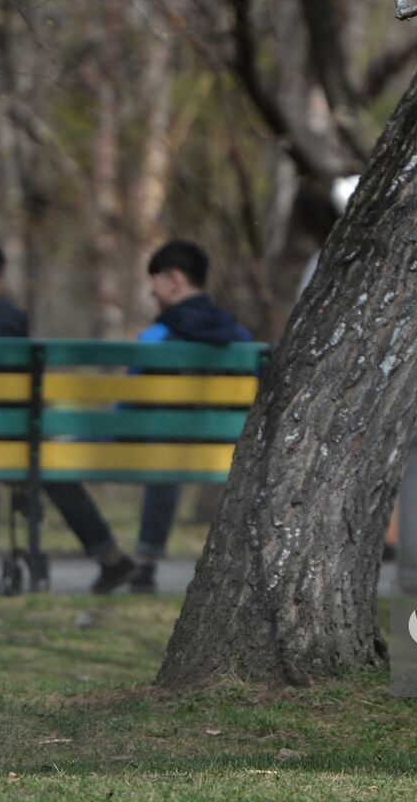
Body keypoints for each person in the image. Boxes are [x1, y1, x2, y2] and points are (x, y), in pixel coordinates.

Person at [0, 238, 135, 594]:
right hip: (8, 438)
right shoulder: (11, 316)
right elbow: (26, 384)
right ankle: (106, 556)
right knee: (35, 462)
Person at [129, 240, 252, 593]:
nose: (153, 291)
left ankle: (142, 564)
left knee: (164, 447)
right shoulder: (238, 337)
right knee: (167, 445)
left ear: (174, 280)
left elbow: (130, 404)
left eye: (155, 282)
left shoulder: (156, 337)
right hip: (225, 451)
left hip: (160, 451)